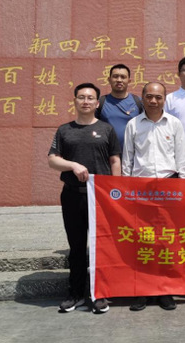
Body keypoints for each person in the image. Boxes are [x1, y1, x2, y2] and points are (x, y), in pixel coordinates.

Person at [48, 82, 121, 314]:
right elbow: (52, 160)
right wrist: (72, 165)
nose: (86, 101)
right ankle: (76, 293)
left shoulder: (106, 129)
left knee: (102, 246)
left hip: (100, 197)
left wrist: (115, 191)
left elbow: (115, 160)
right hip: (72, 195)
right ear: (75, 101)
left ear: (97, 103)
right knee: (77, 246)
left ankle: (100, 293)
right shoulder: (64, 130)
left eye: (90, 98)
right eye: (81, 97)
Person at [122, 82, 185, 311]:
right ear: (142, 98)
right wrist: (126, 191)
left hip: (169, 188)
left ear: (164, 99)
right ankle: (142, 290)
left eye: (158, 97)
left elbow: (182, 158)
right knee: (143, 241)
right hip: (141, 189)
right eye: (149, 96)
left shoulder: (174, 123)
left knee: (167, 241)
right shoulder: (133, 124)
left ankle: (165, 290)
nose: (153, 101)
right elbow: (127, 160)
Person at [96, 63, 143, 149]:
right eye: (115, 76)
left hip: (133, 153)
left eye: (123, 77)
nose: (119, 80)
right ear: (109, 80)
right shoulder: (100, 103)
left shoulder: (139, 102)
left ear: (129, 81)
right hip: (107, 153)